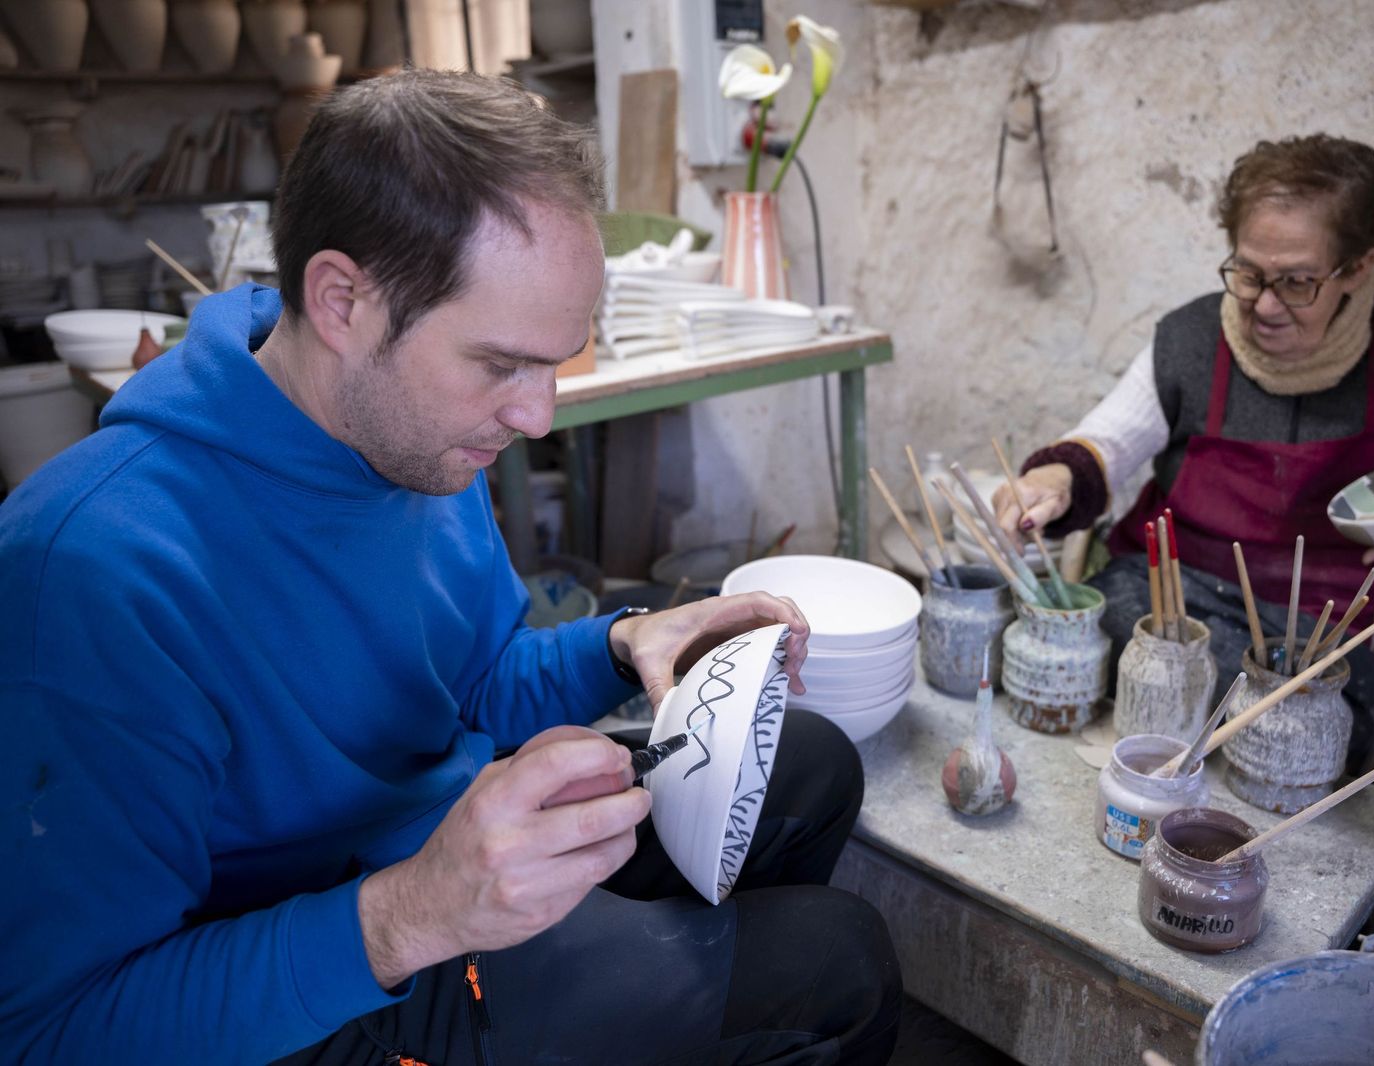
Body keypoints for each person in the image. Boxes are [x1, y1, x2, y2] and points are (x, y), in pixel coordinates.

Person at [0, 71, 900, 1065]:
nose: (538, 415)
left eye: (558, 361)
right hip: (309, 978)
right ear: (343, 300)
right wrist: (412, 914)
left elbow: (465, 683)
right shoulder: (92, 571)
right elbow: (53, 1030)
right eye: (502, 362)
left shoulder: (414, 431)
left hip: (428, 857)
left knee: (808, 764)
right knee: (835, 964)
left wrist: (619, 641)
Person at [994, 133, 1374, 767]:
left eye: (1296, 282)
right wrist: (1052, 479)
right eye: (1247, 272)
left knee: (1290, 724)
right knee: (1100, 651)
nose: (1263, 305)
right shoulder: (1189, 337)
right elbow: (1102, 447)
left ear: (1358, 267)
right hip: (1167, 591)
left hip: (1323, 629)